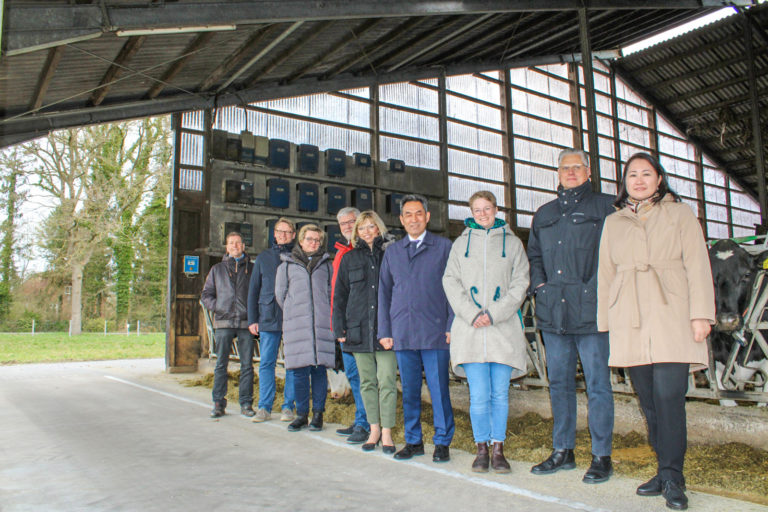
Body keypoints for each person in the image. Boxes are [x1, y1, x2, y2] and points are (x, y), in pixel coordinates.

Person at [597, 152, 714, 510]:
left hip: (671, 313)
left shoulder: (679, 214)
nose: (639, 180)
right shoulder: (614, 222)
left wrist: (701, 316)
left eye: (647, 174)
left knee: (668, 399)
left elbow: (697, 264)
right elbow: (606, 273)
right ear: (625, 182)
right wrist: (606, 322)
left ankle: (673, 477)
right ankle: (664, 471)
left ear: (659, 179)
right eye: (632, 175)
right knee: (648, 401)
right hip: (629, 317)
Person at [527, 148, 615, 483]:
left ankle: (601, 456)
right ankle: (563, 450)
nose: (571, 172)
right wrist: (540, 286)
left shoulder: (606, 207)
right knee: (559, 384)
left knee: (598, 385)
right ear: (558, 172)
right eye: (565, 167)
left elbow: (613, 254)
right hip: (553, 312)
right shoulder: (544, 213)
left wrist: (594, 289)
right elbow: (534, 254)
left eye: (577, 167)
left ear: (589, 171)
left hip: (591, 313)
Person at [443, 191, 530, 473]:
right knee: (478, 395)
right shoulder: (460, 244)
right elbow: (450, 280)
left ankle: (498, 448)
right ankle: (481, 448)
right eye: (477, 209)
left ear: (495, 209)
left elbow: (521, 283)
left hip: (502, 329)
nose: (482, 214)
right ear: (470, 212)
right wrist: (471, 313)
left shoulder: (514, 243)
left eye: (487, 208)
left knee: (500, 395)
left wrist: (494, 313)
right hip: (470, 330)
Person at [378, 194, 455, 463]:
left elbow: (454, 290)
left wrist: (450, 324)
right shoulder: (393, 252)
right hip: (403, 332)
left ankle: (442, 441)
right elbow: (384, 293)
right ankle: (413, 440)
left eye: (419, 213)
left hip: (435, 332)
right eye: (408, 214)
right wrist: (385, 331)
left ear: (428, 217)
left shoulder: (444, 247)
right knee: (409, 390)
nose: (414, 219)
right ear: (401, 220)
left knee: (438, 389)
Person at [333, 211, 398, 454]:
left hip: (385, 331)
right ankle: (374, 430)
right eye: (362, 228)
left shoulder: (391, 254)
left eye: (372, 227)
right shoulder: (349, 259)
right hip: (357, 330)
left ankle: (388, 432)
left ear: (379, 228)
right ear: (356, 232)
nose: (367, 232)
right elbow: (340, 295)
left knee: (388, 381)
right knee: (367, 382)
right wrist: (338, 327)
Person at [275, 224, 335, 432]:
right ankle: (301, 414)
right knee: (299, 373)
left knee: (319, 372)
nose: (313, 243)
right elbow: (281, 295)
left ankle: (318, 414)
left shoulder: (327, 265)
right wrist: (296, 312)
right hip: (297, 326)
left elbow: (331, 293)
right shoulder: (287, 266)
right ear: (300, 241)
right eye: (309, 239)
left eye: (317, 240)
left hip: (321, 327)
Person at [201, 232, 255, 419]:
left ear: (243, 246)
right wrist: (218, 307)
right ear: (226, 247)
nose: (235, 246)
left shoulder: (252, 269)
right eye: (231, 243)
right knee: (221, 364)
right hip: (224, 322)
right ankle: (218, 403)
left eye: (238, 243)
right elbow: (206, 295)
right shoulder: (217, 269)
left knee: (247, 365)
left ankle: (246, 403)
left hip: (246, 322)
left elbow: (259, 294)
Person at [247, 217, 296, 423]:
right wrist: (252, 319)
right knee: (267, 362)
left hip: (293, 317)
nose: (283, 235)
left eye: (287, 232)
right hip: (267, 316)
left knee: (292, 364)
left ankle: (288, 407)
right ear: (274, 234)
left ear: (293, 235)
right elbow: (253, 289)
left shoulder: (298, 256)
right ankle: (264, 407)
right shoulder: (263, 257)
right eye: (279, 231)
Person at [330, 206, 370, 444]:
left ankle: (366, 424)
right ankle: (360, 420)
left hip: (361, 326)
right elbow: (338, 293)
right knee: (353, 375)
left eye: (351, 222)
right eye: (343, 223)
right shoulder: (341, 252)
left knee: (364, 376)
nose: (347, 226)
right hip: (344, 326)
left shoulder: (363, 251)